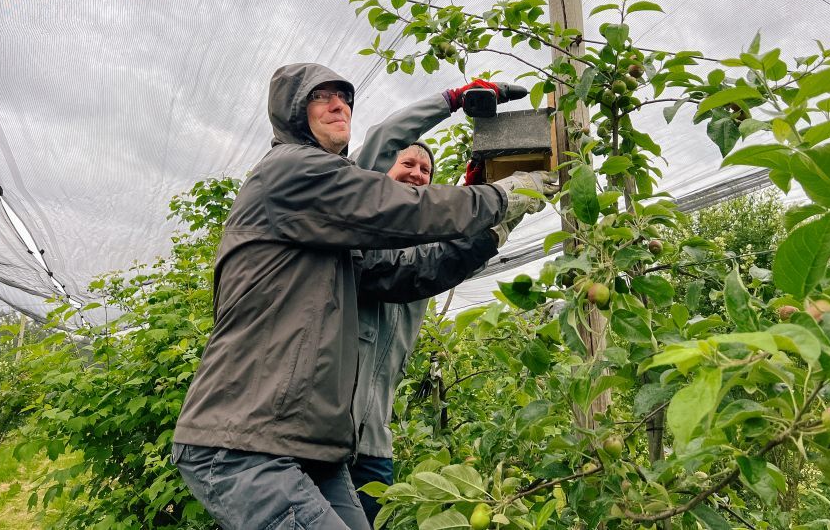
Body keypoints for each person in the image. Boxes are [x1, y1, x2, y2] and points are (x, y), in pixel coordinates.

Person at [172, 63, 556, 530]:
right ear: (293, 113)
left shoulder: (335, 235)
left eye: (344, 96)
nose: (339, 105)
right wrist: (494, 190)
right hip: (244, 441)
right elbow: (393, 194)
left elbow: (411, 272)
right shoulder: (294, 170)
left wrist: (495, 222)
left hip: (312, 444)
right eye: (321, 97)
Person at [347, 82, 521, 524]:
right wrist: (450, 100)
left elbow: (461, 253)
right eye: (408, 162)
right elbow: (384, 135)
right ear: (383, 169)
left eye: (426, 169)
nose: (418, 173)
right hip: (324, 432)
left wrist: (502, 202)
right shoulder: (357, 209)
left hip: (374, 440)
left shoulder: (427, 238)